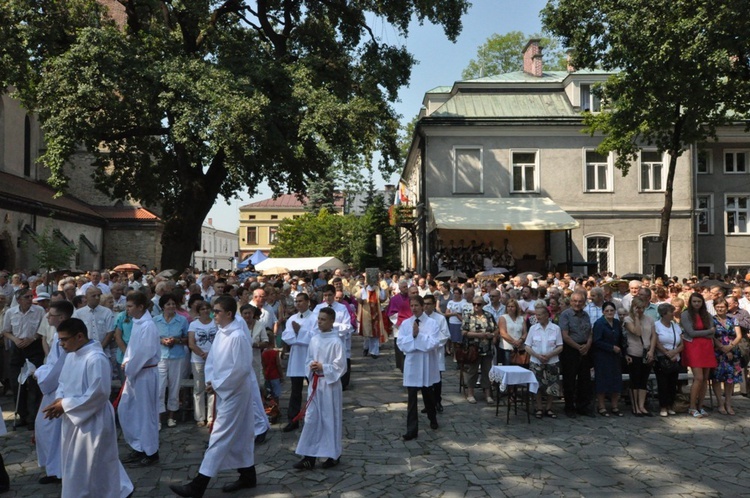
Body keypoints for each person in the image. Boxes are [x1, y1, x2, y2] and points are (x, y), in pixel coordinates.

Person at [169, 296, 258, 497]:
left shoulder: (237, 336)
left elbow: (241, 369)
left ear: (228, 313)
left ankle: (198, 485)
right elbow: (213, 359)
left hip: (234, 392)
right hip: (224, 389)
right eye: (213, 311)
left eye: (217, 311)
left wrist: (217, 385)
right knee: (242, 435)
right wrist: (211, 381)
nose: (213, 314)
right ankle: (248, 475)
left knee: (219, 436)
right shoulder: (222, 333)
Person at [42, 318, 133, 498]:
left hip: (93, 421)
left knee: (94, 466)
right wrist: (59, 399)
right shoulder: (71, 355)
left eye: (64, 339)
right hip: (73, 418)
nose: (61, 344)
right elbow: (62, 382)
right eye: (59, 340)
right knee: (76, 467)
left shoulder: (95, 359)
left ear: (80, 336)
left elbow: (99, 393)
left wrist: (65, 405)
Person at [293, 307, 346, 470]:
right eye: (319, 319)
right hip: (316, 384)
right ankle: (309, 456)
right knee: (311, 419)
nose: (319, 321)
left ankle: (332, 455)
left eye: (323, 319)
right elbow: (308, 359)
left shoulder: (336, 342)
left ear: (331, 321)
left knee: (329, 419)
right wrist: (311, 366)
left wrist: (323, 366)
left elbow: (341, 366)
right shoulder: (315, 339)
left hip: (329, 386)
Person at [33, 299, 74, 485]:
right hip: (52, 386)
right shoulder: (57, 334)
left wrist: (40, 375)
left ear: (62, 317)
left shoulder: (66, 338)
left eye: (51, 315)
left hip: (57, 389)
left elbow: (59, 368)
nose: (48, 317)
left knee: (53, 429)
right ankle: (54, 468)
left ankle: (58, 470)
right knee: (44, 428)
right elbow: (51, 362)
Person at [118, 291, 161, 466]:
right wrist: (127, 361)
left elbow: (145, 351)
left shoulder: (148, 326)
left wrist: (130, 367)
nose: (127, 310)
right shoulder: (137, 323)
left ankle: (151, 451)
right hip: (135, 372)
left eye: (130, 306)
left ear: (140, 307)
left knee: (145, 413)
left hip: (144, 373)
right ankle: (138, 446)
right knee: (128, 410)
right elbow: (132, 348)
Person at [2, 288, 45, 428]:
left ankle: (33, 417)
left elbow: (42, 330)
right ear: (19, 299)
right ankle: (22, 415)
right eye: (26, 297)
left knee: (33, 383)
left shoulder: (39, 311)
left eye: (30, 296)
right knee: (17, 383)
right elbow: (6, 331)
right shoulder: (11, 312)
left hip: (34, 348)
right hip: (17, 348)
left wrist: (32, 338)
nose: (29, 299)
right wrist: (15, 339)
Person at [398, 296, 440, 440]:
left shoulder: (432, 323)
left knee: (428, 395)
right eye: (412, 305)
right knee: (411, 399)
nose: (414, 308)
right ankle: (411, 429)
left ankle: (432, 417)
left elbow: (433, 343)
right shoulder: (405, 324)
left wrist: (418, 336)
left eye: (417, 305)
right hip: (412, 364)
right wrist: (413, 338)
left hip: (426, 363)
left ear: (422, 306)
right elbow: (401, 343)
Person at [281, 293, 317, 432]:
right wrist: (297, 335)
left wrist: (299, 332)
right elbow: (286, 336)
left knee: (313, 388)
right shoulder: (292, 318)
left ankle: (313, 417)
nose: (298, 304)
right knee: (295, 391)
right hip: (296, 358)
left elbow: (315, 337)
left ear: (308, 302)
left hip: (310, 356)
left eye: (301, 301)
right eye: (296, 301)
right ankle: (293, 419)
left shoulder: (314, 318)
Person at [154, 293, 189, 428]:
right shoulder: (155, 320)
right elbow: (150, 338)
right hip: (161, 357)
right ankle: (158, 418)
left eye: (173, 304)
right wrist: (161, 341)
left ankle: (171, 416)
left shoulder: (182, 320)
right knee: (160, 387)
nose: (171, 306)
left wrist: (177, 340)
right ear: (162, 306)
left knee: (175, 387)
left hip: (177, 356)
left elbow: (187, 338)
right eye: (168, 304)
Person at [681, 292, 717, 418]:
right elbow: (690, 332)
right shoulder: (685, 314)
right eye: (694, 301)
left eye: (699, 301)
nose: (696, 304)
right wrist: (707, 332)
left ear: (702, 303)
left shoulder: (707, 315)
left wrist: (703, 333)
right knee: (698, 378)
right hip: (693, 347)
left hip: (706, 347)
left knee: (705, 379)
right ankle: (692, 407)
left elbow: (713, 333)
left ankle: (700, 406)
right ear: (690, 302)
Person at [525, 302, 563, 418]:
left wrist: (549, 355)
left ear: (547, 315)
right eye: (537, 315)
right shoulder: (533, 328)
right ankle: (539, 407)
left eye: (540, 314)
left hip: (552, 361)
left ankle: (549, 408)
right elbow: (527, 346)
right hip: (536, 361)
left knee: (552, 385)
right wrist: (537, 355)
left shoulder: (555, 328)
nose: (538, 317)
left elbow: (560, 346)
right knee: (537, 385)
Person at [559, 290, 594, 418]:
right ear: (571, 301)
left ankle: (582, 406)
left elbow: (590, 332)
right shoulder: (565, 315)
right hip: (571, 349)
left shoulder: (586, 315)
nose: (577, 303)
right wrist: (579, 347)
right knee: (570, 380)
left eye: (580, 301)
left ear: (584, 302)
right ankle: (569, 407)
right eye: (575, 301)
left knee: (584, 379)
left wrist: (588, 344)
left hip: (585, 348)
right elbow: (565, 335)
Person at [313, 285, 353, 389]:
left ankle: (342, 383)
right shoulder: (318, 308)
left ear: (334, 295)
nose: (327, 298)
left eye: (330, 295)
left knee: (338, 363)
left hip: (337, 341)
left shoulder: (342, 308)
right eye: (325, 295)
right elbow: (314, 326)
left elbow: (347, 326)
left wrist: (332, 326)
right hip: (322, 342)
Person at [623, 297, 657, 416]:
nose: (641, 310)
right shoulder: (628, 319)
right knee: (635, 380)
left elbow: (653, 336)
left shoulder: (650, 319)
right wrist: (636, 318)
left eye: (642, 308)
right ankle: (635, 406)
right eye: (638, 308)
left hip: (646, 352)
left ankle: (642, 406)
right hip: (634, 352)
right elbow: (637, 332)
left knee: (644, 380)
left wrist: (652, 350)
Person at [592, 301, 626, 417]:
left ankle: (614, 406)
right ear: (603, 312)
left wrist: (623, 352)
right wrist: (611, 348)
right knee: (602, 381)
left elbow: (621, 339)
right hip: (602, 356)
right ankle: (601, 406)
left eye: (612, 310)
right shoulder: (599, 323)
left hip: (615, 357)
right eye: (607, 311)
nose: (609, 312)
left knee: (615, 381)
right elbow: (596, 341)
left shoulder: (616, 323)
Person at [461, 296, 496, 404]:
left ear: (483, 305)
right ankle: (470, 393)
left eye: (479, 304)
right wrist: (480, 335)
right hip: (473, 348)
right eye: (474, 304)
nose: (476, 306)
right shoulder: (468, 316)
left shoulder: (489, 316)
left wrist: (493, 336)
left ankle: (487, 394)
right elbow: (464, 332)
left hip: (487, 348)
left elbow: (495, 329)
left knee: (487, 371)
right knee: (472, 371)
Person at [711, 298, 743, 415]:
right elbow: (711, 336)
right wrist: (722, 348)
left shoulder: (733, 319)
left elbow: (738, 335)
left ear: (726, 307)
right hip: (718, 352)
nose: (720, 308)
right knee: (717, 378)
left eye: (722, 306)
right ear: (715, 307)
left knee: (730, 379)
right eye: (718, 306)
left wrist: (730, 347)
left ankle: (728, 403)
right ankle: (720, 403)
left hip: (732, 352)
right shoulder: (712, 320)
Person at [187, 300, 216, 427]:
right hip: (198, 359)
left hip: (214, 359)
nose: (205, 311)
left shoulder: (215, 323)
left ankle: (211, 417)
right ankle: (199, 417)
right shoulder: (193, 324)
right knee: (198, 388)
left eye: (207, 308)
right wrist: (202, 354)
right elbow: (191, 343)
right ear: (198, 311)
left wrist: (210, 355)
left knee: (211, 387)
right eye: (202, 309)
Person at [653, 303, 683, 417]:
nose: (673, 314)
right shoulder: (656, 325)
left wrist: (675, 352)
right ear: (664, 314)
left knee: (672, 383)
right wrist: (666, 353)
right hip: (662, 358)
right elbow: (656, 341)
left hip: (675, 358)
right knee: (663, 384)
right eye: (671, 312)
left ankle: (671, 404)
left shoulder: (675, 325)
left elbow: (682, 343)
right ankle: (663, 406)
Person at [423, 294, 450, 412]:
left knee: (437, 379)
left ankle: (437, 401)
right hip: (424, 353)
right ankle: (428, 403)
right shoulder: (420, 319)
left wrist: (433, 343)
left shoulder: (440, 318)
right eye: (424, 304)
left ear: (434, 305)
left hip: (436, 352)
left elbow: (445, 335)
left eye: (429, 304)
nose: (426, 306)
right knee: (425, 380)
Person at [357, 280, 387, 359]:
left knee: (375, 333)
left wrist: (380, 288)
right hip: (366, 313)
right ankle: (366, 348)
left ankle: (374, 352)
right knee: (367, 333)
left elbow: (383, 299)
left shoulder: (378, 289)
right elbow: (360, 300)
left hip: (376, 313)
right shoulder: (364, 290)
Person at [497, 298, 526, 366]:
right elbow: (503, 333)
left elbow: (525, 332)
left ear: (516, 308)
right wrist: (514, 342)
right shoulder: (503, 318)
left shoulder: (521, 319)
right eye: (508, 306)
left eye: (512, 306)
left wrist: (520, 341)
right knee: (506, 366)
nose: (510, 308)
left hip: (519, 347)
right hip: (506, 348)